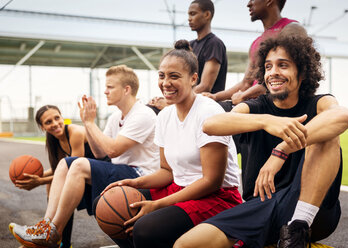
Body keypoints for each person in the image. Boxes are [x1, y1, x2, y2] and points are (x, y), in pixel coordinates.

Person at [174, 35, 348, 248]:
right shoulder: (257, 106)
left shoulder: (318, 102)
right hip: (262, 205)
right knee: (186, 244)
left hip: (314, 209)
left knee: (326, 131)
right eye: (268, 67)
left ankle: (298, 228)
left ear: (302, 72)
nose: (273, 72)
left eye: (283, 65)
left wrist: (283, 149)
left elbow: (343, 116)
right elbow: (211, 124)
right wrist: (267, 121)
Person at [100, 40, 241, 248]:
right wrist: (134, 183)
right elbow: (167, 171)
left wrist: (157, 205)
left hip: (217, 197)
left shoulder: (208, 112)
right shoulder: (165, 116)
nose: (166, 82)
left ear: (193, 79)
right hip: (178, 187)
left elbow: (212, 181)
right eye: (162, 75)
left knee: (146, 228)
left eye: (174, 76)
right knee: (105, 206)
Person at [10, 65, 160, 248]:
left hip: (142, 176)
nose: (105, 91)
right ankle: (46, 226)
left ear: (126, 89)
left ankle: (53, 231)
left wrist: (90, 122)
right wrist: (88, 123)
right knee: (66, 164)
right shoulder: (116, 117)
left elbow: (113, 151)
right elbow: (100, 153)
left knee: (79, 165)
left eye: (110, 87)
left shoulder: (142, 114)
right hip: (122, 171)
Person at [12, 105, 98, 248]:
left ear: (62, 117)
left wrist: (39, 181)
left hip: (99, 172)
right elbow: (58, 169)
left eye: (57, 118)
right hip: (84, 174)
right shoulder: (54, 139)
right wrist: (31, 177)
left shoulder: (75, 133)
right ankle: (50, 235)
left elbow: (72, 171)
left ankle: (53, 237)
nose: (55, 124)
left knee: (58, 186)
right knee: (51, 184)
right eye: (48, 122)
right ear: (42, 127)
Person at [204, 0, 306, 110]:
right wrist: (215, 97)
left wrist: (244, 95)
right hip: (253, 102)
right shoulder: (256, 42)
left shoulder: (292, 29)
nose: (249, 4)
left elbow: (283, 78)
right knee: (207, 109)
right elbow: (246, 83)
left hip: (273, 104)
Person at [148, 0, 227, 113]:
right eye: (188, 14)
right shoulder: (191, 45)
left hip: (203, 105)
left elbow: (205, 86)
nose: (189, 18)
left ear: (207, 15)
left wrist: (171, 101)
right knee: (150, 107)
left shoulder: (214, 44)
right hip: (184, 100)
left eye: (193, 14)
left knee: (153, 111)